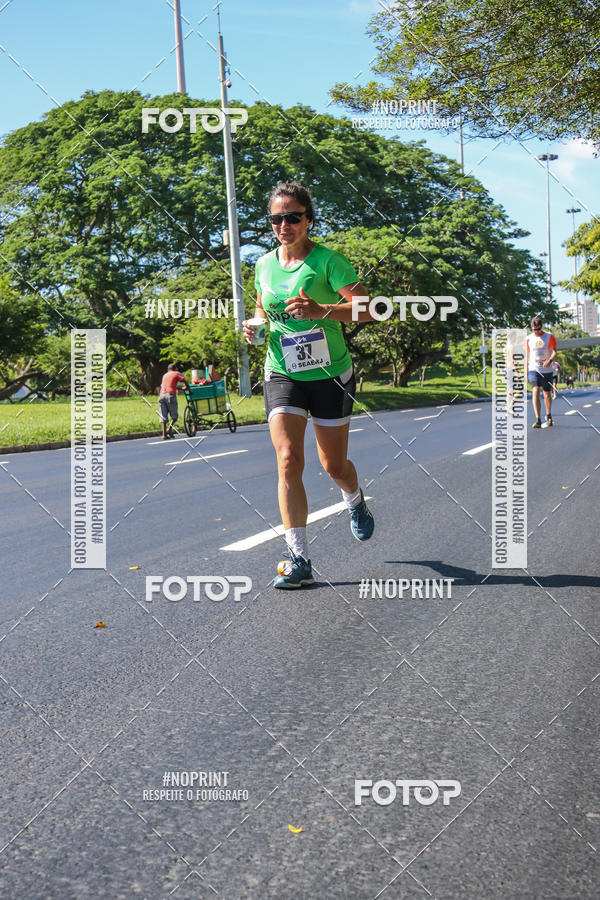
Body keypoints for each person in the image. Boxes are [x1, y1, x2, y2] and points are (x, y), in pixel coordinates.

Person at [243, 180, 376, 589]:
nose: (284, 225)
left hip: (330, 372)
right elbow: (262, 309)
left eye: (293, 217)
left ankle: (354, 499)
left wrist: (323, 309)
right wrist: (255, 328)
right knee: (287, 460)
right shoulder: (263, 265)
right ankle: (298, 557)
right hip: (282, 370)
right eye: (276, 218)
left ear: (308, 220)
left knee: (332, 465)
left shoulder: (329, 262)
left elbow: (369, 310)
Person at [526, 316, 557, 428]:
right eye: (534, 329)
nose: (536, 332)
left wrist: (549, 360)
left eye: (538, 329)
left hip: (546, 369)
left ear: (541, 327)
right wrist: (526, 372)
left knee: (546, 393)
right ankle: (538, 419)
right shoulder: (529, 339)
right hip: (533, 369)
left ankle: (548, 415)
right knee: (535, 391)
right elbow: (527, 356)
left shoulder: (549, 337)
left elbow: (554, 352)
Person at [158, 363, 189, 439]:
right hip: (170, 396)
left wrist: (181, 389)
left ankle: (164, 434)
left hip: (161, 395)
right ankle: (169, 429)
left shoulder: (165, 375)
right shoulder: (176, 373)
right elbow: (184, 381)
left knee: (163, 416)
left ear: (168, 370)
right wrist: (188, 389)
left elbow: (171, 385)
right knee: (174, 416)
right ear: (175, 369)